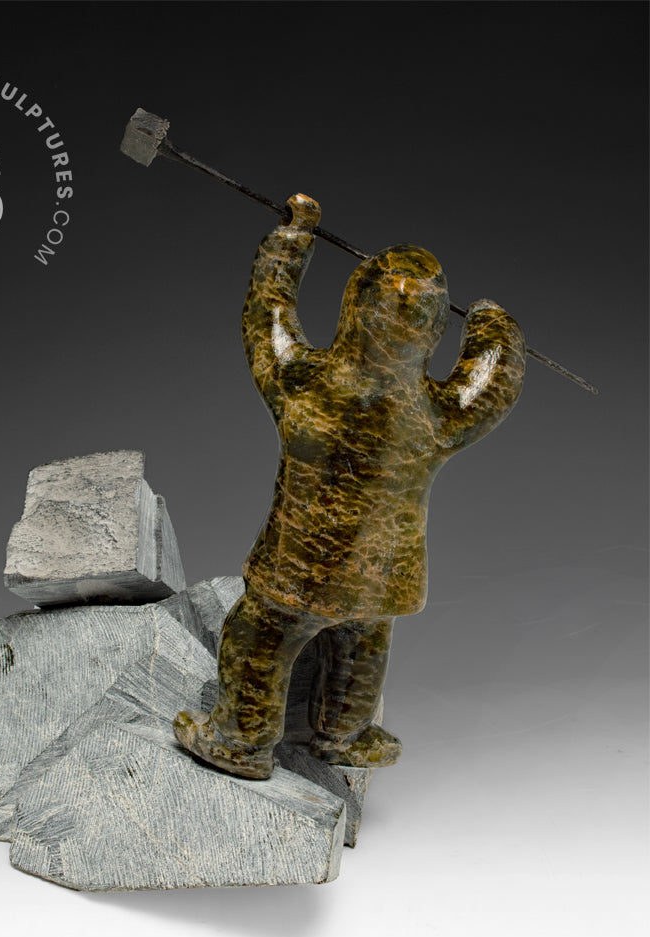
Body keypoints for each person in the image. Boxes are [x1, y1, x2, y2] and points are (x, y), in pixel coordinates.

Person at [174, 193, 526, 779]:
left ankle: (240, 742)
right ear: (435, 330)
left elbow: (267, 317)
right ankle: (344, 734)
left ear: (352, 306)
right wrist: (494, 326)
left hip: (298, 567)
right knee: (363, 641)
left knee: (259, 636)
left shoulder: (302, 383)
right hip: (384, 572)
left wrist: (289, 244)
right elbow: (492, 386)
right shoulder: (434, 416)